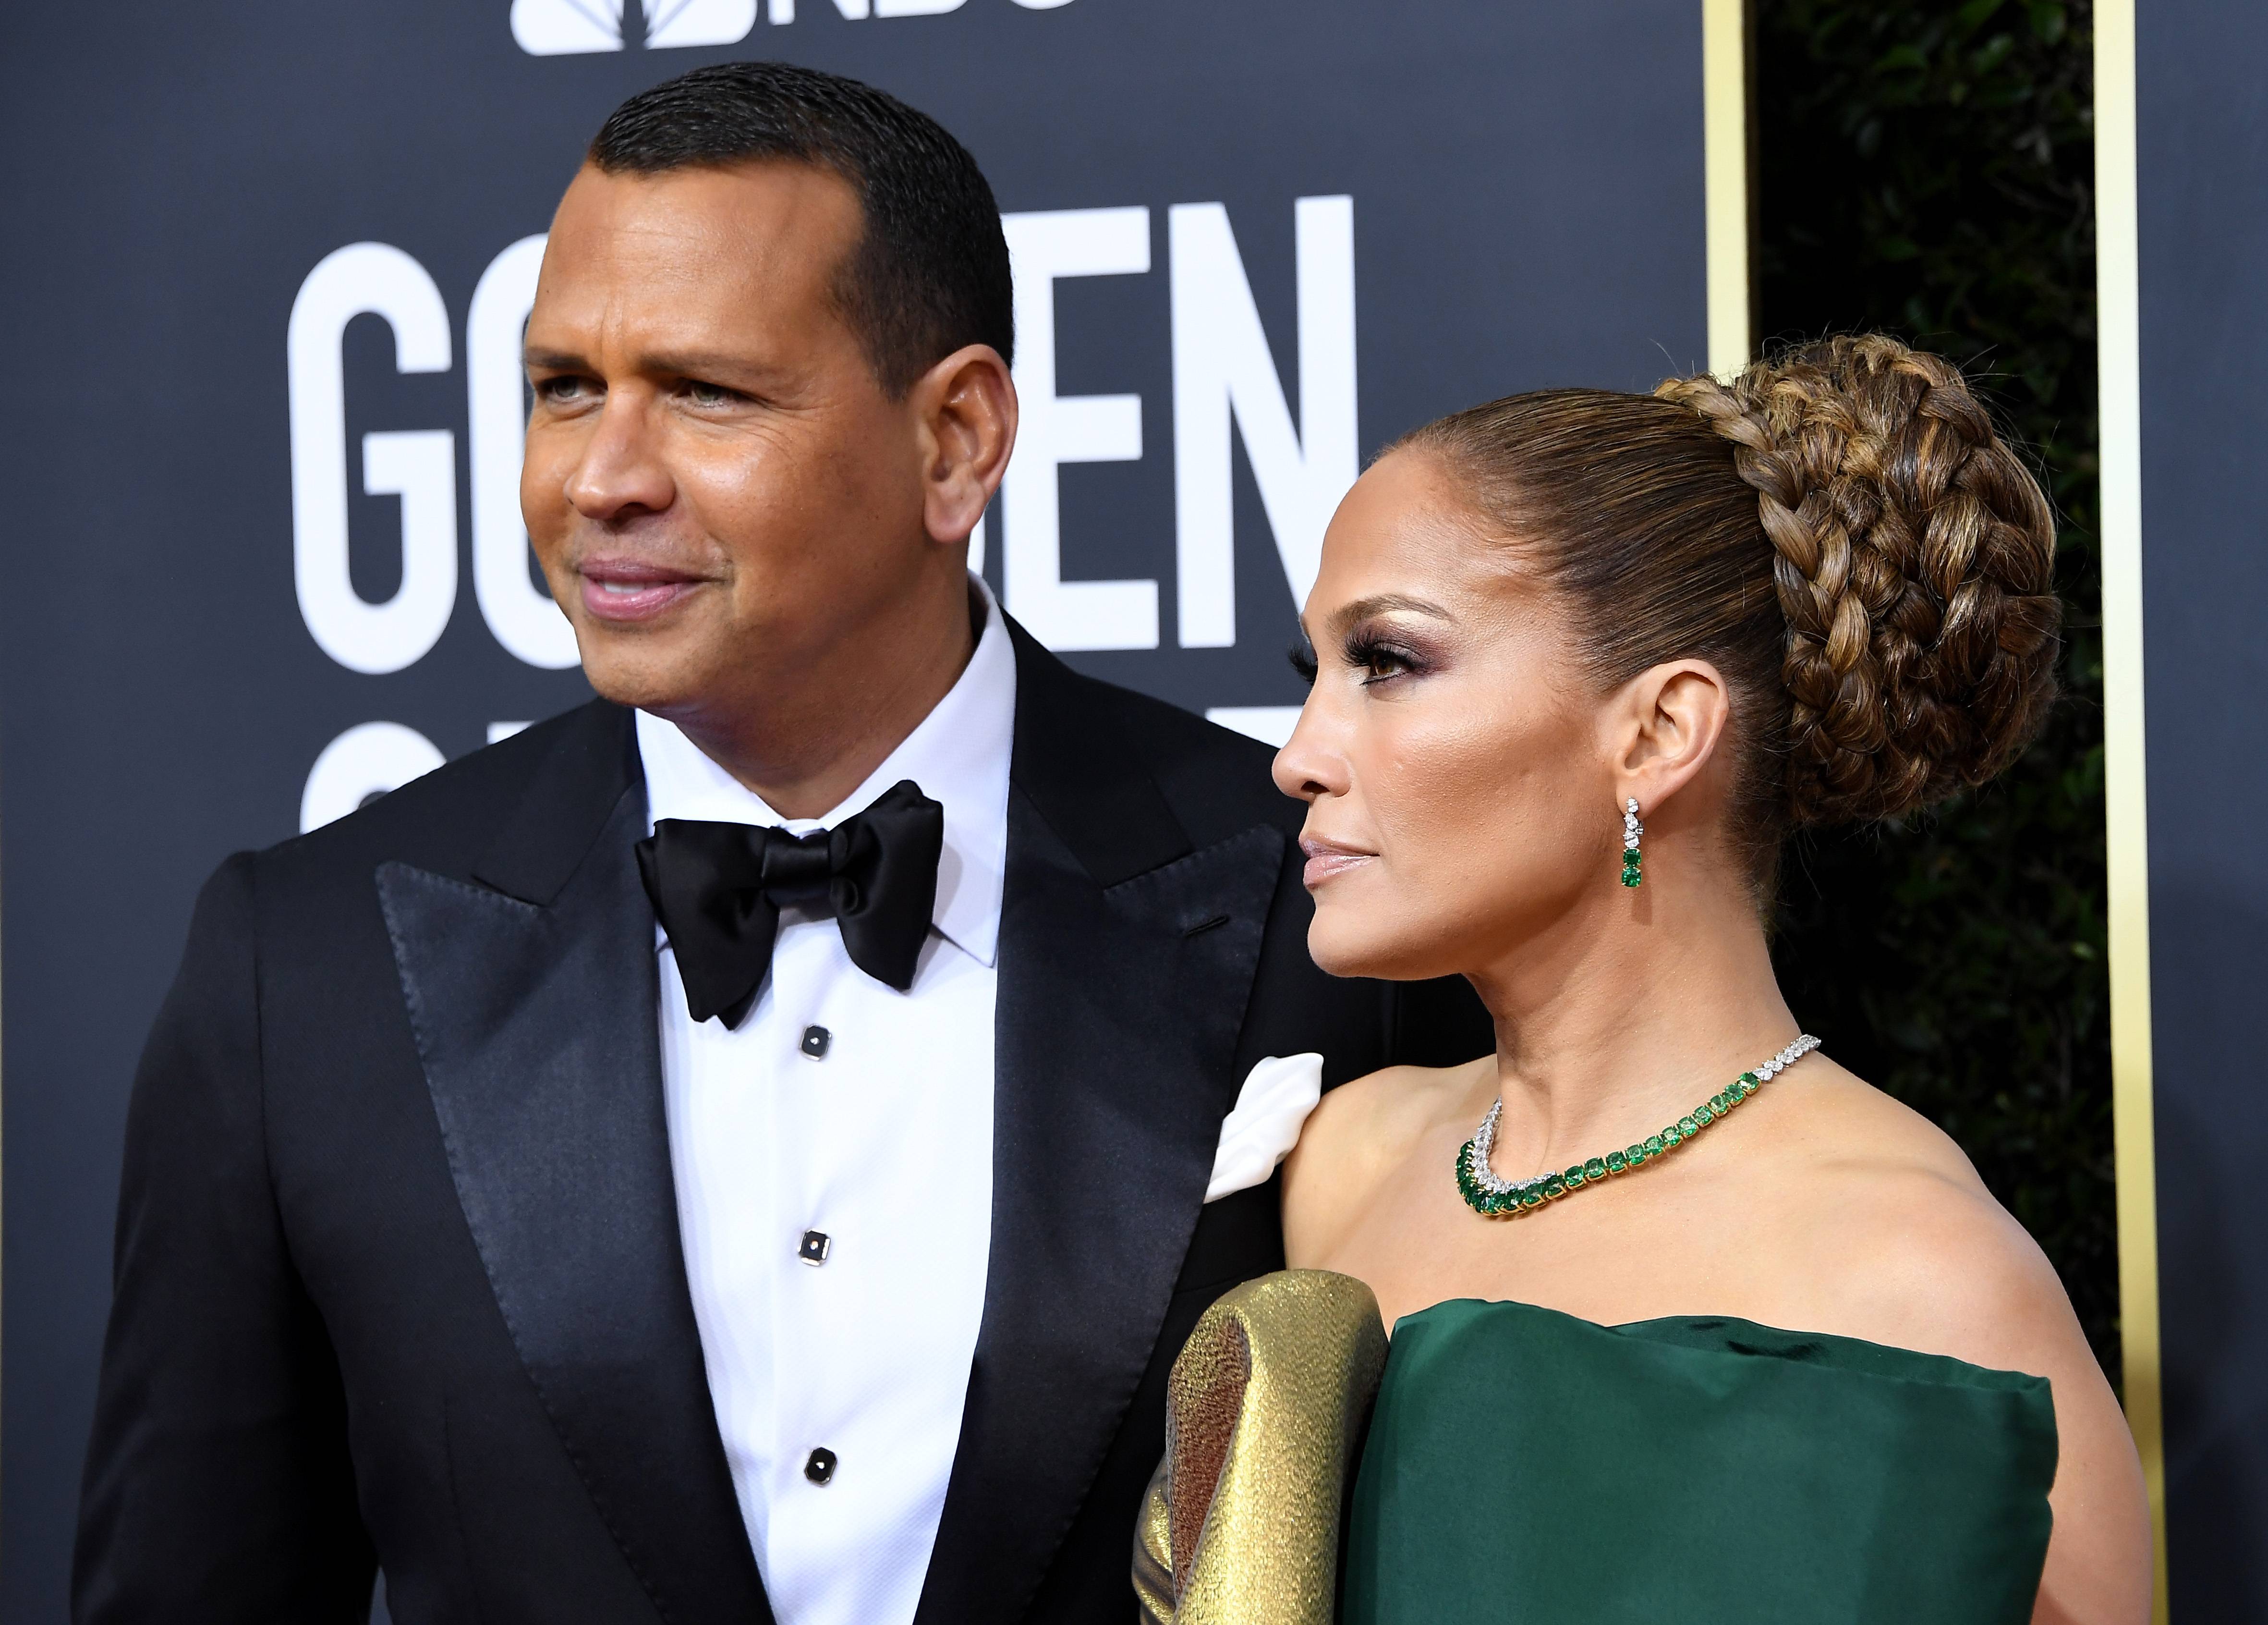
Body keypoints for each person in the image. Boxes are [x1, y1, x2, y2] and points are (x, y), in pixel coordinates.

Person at [73, 62, 1488, 1625]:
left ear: (956, 440)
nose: (599, 478)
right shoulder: (308, 966)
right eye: (561, 388)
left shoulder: (1332, 910)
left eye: (704, 393)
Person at [1145, 338, 2149, 1624]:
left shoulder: (1918, 1281)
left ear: (1660, 731)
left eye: (1386, 663)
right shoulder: (1338, 1161)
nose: (1297, 758)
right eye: (1314, 676)